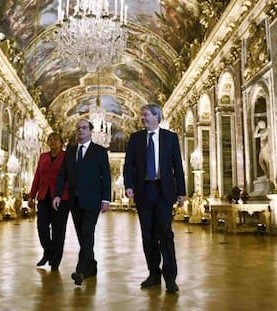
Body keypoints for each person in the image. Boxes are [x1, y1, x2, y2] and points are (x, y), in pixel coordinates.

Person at [123, 104, 186, 294]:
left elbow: (178, 167)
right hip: (144, 191)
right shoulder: (135, 139)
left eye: (146, 115)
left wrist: (181, 192)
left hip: (164, 191)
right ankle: (153, 274)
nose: (143, 118)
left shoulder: (170, 138)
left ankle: (171, 278)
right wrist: (129, 185)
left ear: (156, 116)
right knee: (147, 235)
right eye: (142, 115)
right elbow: (128, 165)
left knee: (165, 234)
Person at [53, 118, 111, 286]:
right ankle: (92, 265)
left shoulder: (99, 151)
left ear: (90, 131)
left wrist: (106, 199)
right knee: (82, 235)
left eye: (84, 128)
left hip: (93, 199)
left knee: (86, 232)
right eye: (78, 128)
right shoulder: (70, 151)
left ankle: (80, 270)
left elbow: (106, 176)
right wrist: (57, 194)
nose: (80, 130)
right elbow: (62, 174)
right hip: (74, 200)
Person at [29, 132, 69, 271]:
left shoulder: (66, 156)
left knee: (58, 231)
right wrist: (31, 195)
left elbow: (69, 177)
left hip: (61, 198)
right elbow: (37, 176)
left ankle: (55, 261)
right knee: (42, 227)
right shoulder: (43, 157)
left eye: (55, 139)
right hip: (44, 196)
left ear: (61, 142)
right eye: (50, 139)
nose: (52, 141)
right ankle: (48, 252)